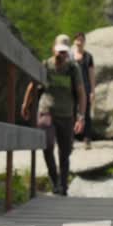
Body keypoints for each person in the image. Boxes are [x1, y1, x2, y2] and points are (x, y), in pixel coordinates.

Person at [21, 34, 87, 196]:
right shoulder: (45, 65)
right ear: (53, 49)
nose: (60, 55)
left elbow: (81, 93)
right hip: (47, 111)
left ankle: (62, 187)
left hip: (66, 115)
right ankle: (54, 179)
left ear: (68, 52)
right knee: (47, 143)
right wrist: (25, 104)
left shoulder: (73, 69)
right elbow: (32, 86)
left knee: (65, 152)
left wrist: (81, 116)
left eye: (64, 52)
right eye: (58, 51)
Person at [72, 32, 96, 148]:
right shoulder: (70, 56)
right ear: (74, 41)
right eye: (78, 39)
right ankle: (71, 138)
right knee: (71, 112)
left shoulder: (88, 57)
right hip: (72, 88)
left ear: (84, 42)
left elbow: (91, 74)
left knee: (86, 114)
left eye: (82, 40)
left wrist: (92, 91)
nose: (79, 42)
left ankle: (87, 139)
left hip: (85, 88)